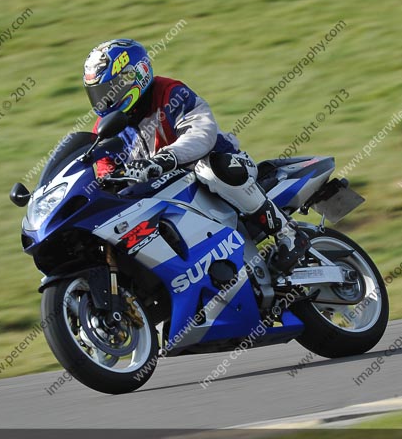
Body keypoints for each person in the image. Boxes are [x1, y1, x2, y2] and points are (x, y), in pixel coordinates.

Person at [83, 38, 308, 273]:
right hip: (166, 196)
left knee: (210, 169)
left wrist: (164, 159)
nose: (104, 99)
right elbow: (105, 174)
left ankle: (288, 234)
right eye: (98, 93)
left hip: (224, 168)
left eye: (110, 90)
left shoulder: (170, 93)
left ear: (137, 75)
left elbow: (202, 134)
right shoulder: (105, 129)